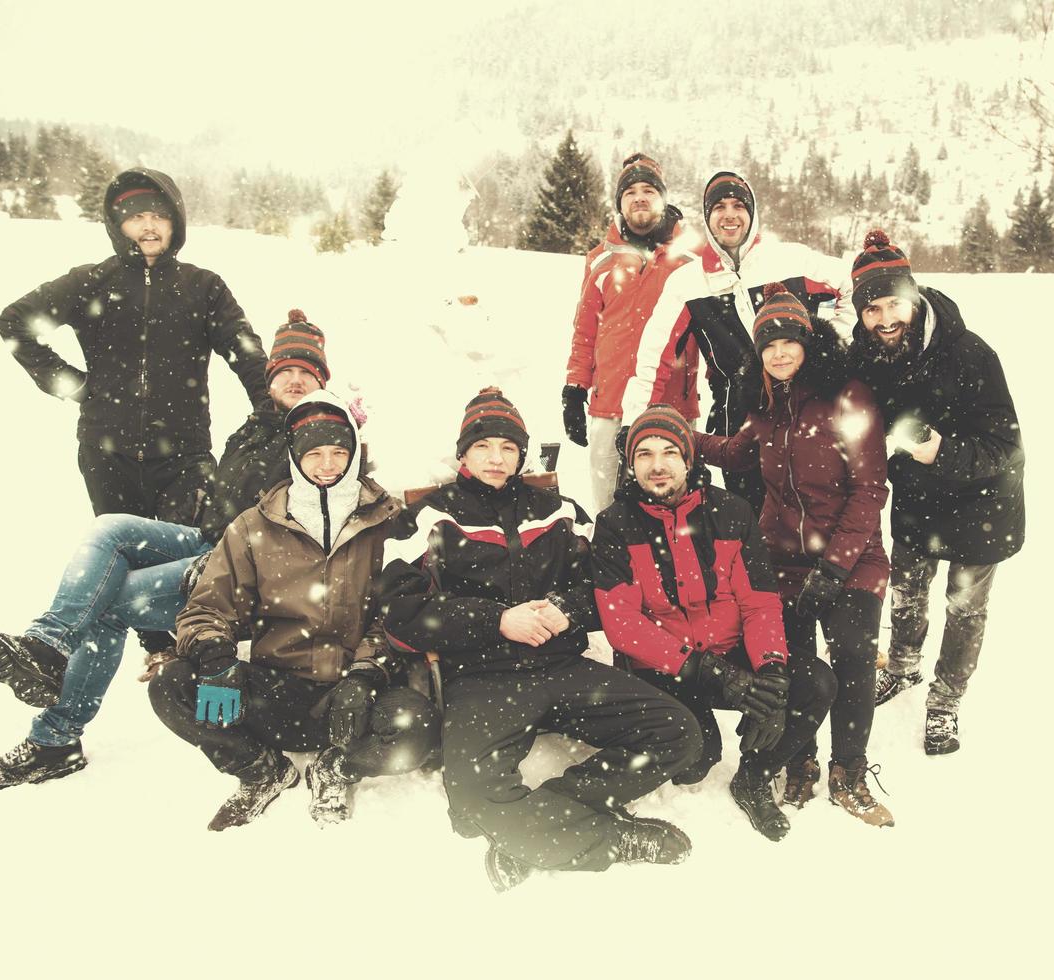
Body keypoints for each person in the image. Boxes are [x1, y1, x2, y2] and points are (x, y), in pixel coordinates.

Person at [0, 313, 335, 791]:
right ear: (269, 378)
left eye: (308, 372)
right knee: (109, 529)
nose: (295, 380)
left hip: (250, 571)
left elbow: (316, 521)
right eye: (285, 371)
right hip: (209, 540)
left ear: (323, 381)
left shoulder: (324, 435)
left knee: (108, 604)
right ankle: (47, 645)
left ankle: (56, 738)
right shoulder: (258, 426)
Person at [378, 387, 701, 890]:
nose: (496, 458)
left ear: (522, 455)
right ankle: (606, 840)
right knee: (468, 803)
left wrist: (566, 610)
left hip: (562, 669)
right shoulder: (428, 516)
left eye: (508, 448)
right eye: (483, 446)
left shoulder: (559, 510)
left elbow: (609, 588)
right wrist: (494, 621)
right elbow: (398, 610)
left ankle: (538, 821)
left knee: (678, 732)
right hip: (483, 678)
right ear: (463, 453)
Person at [149, 392, 435, 829]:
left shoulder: (387, 522)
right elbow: (207, 606)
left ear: (355, 454)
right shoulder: (253, 525)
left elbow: (397, 614)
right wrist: (216, 657)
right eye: (314, 453)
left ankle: (338, 767)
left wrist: (365, 674)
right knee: (172, 685)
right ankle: (261, 769)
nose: (326, 465)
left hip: (352, 699)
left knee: (416, 727)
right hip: (274, 691)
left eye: (339, 452)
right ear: (294, 457)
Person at [696, 284, 893, 827]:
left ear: (809, 343)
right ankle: (799, 758)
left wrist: (834, 566)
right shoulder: (763, 405)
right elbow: (735, 452)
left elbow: (871, 489)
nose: (779, 354)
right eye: (768, 345)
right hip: (782, 559)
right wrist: (676, 437)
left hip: (853, 557)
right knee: (794, 664)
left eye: (789, 341)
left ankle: (849, 771)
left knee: (853, 654)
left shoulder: (848, 397)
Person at [593, 404, 836, 841]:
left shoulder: (732, 512)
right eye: (644, 454)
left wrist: (771, 673)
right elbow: (623, 625)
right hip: (665, 668)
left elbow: (759, 603)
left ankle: (754, 777)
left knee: (814, 683)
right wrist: (705, 670)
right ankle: (695, 729)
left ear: (689, 459)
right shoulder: (615, 525)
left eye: (669, 451)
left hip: (730, 650)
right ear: (631, 465)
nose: (658, 465)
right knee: (694, 763)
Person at [0, 167, 270, 523]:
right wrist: (70, 383)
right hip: (106, 454)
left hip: (185, 457)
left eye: (159, 216)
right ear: (117, 224)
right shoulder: (89, 282)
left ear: (176, 223)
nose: (149, 226)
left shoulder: (204, 287)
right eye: (137, 217)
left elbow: (245, 352)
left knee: (186, 561)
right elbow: (14, 322)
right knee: (124, 558)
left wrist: (272, 408)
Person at [846, 230, 1026, 755]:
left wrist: (939, 451)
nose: (884, 319)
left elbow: (1006, 445)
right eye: (871, 309)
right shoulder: (869, 353)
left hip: (982, 504)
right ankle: (902, 667)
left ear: (915, 296)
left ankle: (945, 701)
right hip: (918, 501)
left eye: (893, 303)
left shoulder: (970, 354)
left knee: (964, 609)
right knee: (906, 592)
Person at [619, 168, 855, 512]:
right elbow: (653, 359)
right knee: (752, 523)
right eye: (719, 207)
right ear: (707, 216)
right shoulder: (688, 282)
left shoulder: (791, 258)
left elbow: (856, 287)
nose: (729, 215)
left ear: (752, 212)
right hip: (739, 419)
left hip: (812, 408)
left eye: (738, 205)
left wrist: (830, 347)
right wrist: (633, 422)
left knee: (822, 512)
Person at [563, 153, 701, 513]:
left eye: (649, 190)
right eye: (630, 192)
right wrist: (575, 389)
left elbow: (713, 331)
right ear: (620, 203)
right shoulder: (599, 259)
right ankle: (612, 566)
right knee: (609, 505)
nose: (640, 197)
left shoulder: (691, 260)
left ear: (663, 198)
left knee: (678, 505)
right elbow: (585, 331)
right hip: (609, 404)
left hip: (671, 404)